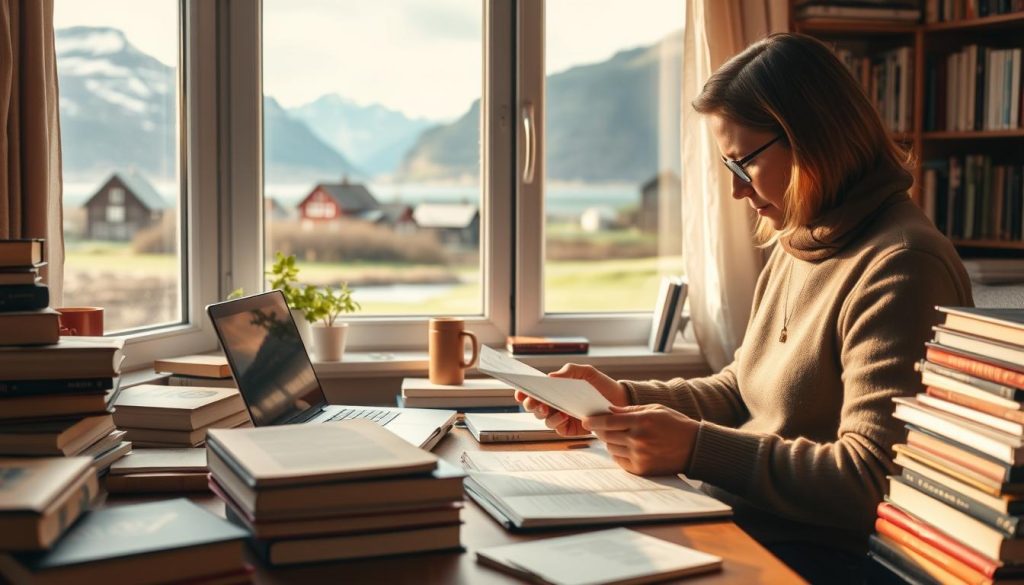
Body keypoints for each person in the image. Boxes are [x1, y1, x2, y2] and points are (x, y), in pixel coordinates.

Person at [516, 32, 973, 585]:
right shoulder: (802, 237)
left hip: (816, 558)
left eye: (743, 164)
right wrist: (622, 397)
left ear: (813, 138)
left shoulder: (902, 264)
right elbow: (743, 391)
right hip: (741, 524)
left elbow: (871, 478)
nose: (737, 192)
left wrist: (694, 449)